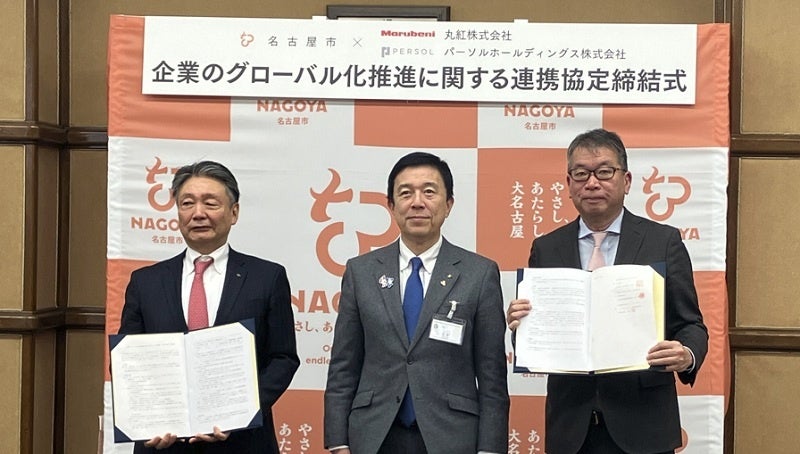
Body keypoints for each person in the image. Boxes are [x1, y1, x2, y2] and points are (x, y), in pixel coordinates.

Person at [507, 128, 708, 454]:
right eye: (581, 174)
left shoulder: (663, 241)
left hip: (644, 426)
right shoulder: (546, 248)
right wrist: (521, 326)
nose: (592, 183)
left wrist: (686, 354)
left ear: (626, 181)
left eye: (604, 172)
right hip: (572, 430)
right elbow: (536, 341)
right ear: (569, 184)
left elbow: (691, 324)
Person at [324, 152, 509, 454]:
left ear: (448, 204)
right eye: (406, 193)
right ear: (391, 205)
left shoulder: (479, 273)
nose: (417, 202)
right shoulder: (361, 272)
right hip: (374, 436)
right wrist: (338, 441)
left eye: (429, 192)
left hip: (452, 437)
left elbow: (492, 376)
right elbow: (343, 366)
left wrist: (490, 448)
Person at [118, 160, 299, 453]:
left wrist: (241, 414)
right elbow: (129, 362)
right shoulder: (145, 282)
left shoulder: (267, 277)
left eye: (210, 203)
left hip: (242, 443)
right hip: (164, 444)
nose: (198, 213)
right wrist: (148, 420)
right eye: (187, 203)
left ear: (234, 212)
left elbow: (283, 358)